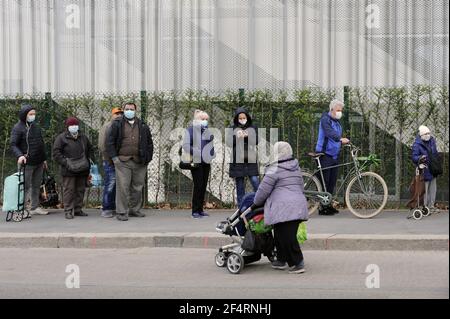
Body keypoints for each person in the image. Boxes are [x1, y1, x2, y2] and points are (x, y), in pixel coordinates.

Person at [253, 141, 309, 274]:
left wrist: (255, 202)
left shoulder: (274, 169)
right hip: (298, 204)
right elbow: (301, 186)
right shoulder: (295, 167)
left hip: (284, 207)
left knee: (287, 236)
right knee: (279, 232)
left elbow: (263, 190)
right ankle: (281, 259)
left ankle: (297, 262)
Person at [106, 102, 154, 221]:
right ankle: (121, 212)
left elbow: (149, 143)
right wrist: (115, 158)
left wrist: (147, 158)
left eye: (131, 109)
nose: (129, 111)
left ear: (135, 110)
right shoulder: (117, 124)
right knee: (123, 187)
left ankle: (134, 209)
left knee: (138, 187)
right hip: (122, 161)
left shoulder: (142, 125)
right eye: (127, 109)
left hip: (139, 161)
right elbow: (109, 142)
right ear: (123, 110)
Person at [10, 104, 49, 216]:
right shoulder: (18, 128)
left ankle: (34, 207)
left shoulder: (35, 126)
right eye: (31, 114)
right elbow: (13, 144)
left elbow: (40, 143)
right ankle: (21, 209)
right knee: (25, 187)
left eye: (34, 114)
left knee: (36, 185)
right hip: (27, 162)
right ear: (24, 115)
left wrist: (44, 159)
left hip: (39, 161)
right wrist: (20, 156)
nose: (33, 116)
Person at [53, 117, 94, 219]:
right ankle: (68, 210)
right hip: (68, 169)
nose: (74, 126)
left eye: (75, 124)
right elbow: (56, 153)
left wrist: (89, 162)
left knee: (80, 190)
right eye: (71, 125)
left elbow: (90, 149)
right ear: (67, 126)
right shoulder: (61, 138)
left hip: (83, 168)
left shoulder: (83, 137)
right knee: (69, 190)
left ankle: (77, 209)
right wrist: (65, 163)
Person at [315, 99, 350, 215]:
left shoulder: (337, 122)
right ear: (332, 110)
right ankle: (322, 207)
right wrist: (340, 139)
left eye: (341, 110)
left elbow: (336, 138)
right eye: (338, 110)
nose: (340, 112)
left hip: (334, 156)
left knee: (332, 182)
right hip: (324, 155)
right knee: (325, 181)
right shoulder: (325, 120)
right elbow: (330, 133)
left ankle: (327, 205)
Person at [182, 110, 215, 219]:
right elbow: (186, 146)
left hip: (206, 161)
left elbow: (210, 144)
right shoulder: (190, 130)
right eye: (203, 119)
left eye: (206, 119)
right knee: (198, 185)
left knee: (203, 186)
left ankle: (200, 210)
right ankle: (195, 211)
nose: (205, 121)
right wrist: (197, 151)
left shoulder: (207, 131)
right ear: (197, 120)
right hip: (196, 162)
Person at [226, 107, 259, 207]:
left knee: (254, 180)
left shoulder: (253, 127)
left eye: (244, 117)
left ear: (247, 117)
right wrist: (237, 137)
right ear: (237, 118)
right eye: (240, 118)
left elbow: (256, 141)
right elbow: (229, 143)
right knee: (239, 184)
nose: (242, 119)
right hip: (237, 159)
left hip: (250, 159)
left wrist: (248, 136)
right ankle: (241, 206)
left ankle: (260, 201)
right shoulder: (232, 128)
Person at [98, 107, 123, 218]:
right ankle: (107, 208)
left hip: (121, 161)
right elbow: (103, 145)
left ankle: (114, 207)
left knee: (118, 185)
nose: (119, 115)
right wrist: (110, 159)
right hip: (110, 161)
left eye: (120, 113)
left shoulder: (123, 126)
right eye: (116, 113)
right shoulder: (107, 126)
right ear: (112, 115)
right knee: (110, 184)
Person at [411, 125, 440, 212]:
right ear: (421, 135)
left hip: (433, 168)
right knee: (425, 189)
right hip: (424, 169)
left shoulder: (432, 140)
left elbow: (435, 153)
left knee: (433, 188)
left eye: (429, 133)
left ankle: (431, 206)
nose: (428, 135)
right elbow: (414, 157)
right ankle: (424, 207)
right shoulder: (417, 144)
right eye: (425, 134)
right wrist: (420, 159)